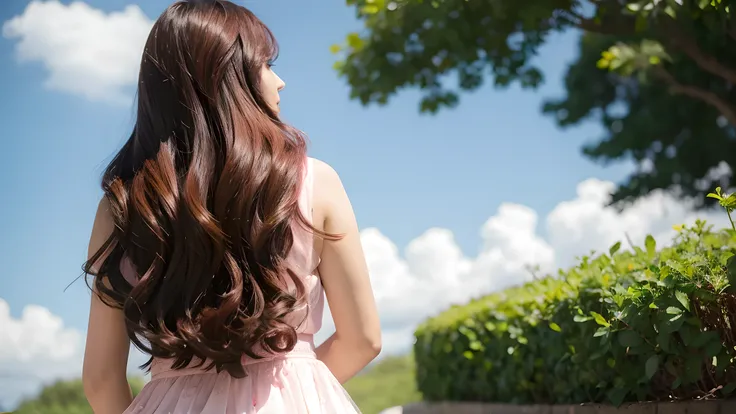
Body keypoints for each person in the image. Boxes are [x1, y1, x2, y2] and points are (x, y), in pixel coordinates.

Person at [80, 1, 381, 412]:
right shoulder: (314, 181)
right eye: (265, 65)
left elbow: (100, 379)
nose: (280, 82)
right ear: (228, 78)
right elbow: (363, 339)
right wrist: (290, 394)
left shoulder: (121, 206)